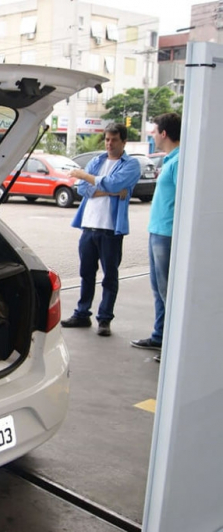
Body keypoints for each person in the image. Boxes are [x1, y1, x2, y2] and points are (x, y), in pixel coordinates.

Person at [60, 123, 141, 336]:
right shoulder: (97, 161)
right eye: (107, 139)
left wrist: (85, 176)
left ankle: (104, 319)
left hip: (110, 229)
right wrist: (109, 191)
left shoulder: (131, 164)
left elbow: (113, 183)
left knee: (109, 276)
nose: (109, 144)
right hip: (89, 226)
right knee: (86, 273)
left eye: (114, 140)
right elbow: (82, 189)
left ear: (124, 141)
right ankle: (82, 314)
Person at [131, 113, 181, 362]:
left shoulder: (180, 161)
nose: (152, 135)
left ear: (164, 133)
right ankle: (159, 336)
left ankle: (172, 345)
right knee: (158, 288)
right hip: (158, 231)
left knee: (167, 291)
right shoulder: (170, 159)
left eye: (154, 131)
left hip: (167, 234)